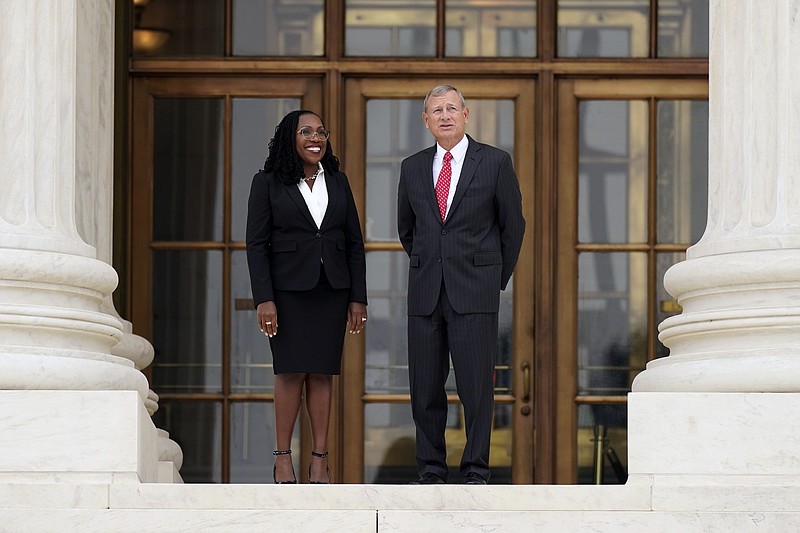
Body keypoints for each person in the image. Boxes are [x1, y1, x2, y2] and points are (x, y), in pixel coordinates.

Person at [397, 84, 525, 485]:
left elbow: (513, 227)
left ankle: (475, 470)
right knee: (426, 390)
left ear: (466, 114)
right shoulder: (413, 167)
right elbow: (408, 229)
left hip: (475, 291)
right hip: (426, 293)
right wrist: (430, 265)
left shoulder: (495, 162)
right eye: (437, 111)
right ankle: (431, 470)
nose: (445, 116)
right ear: (426, 120)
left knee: (475, 390)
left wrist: (493, 279)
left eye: (452, 108)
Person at [246, 110, 368, 484]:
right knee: (289, 371)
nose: (316, 138)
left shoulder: (339, 181)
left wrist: (357, 298)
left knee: (321, 372)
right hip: (287, 293)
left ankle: (319, 459)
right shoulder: (266, 183)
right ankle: (283, 459)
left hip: (332, 289)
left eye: (321, 132)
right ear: (290, 138)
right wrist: (264, 299)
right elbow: (256, 245)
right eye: (306, 132)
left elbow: (353, 244)